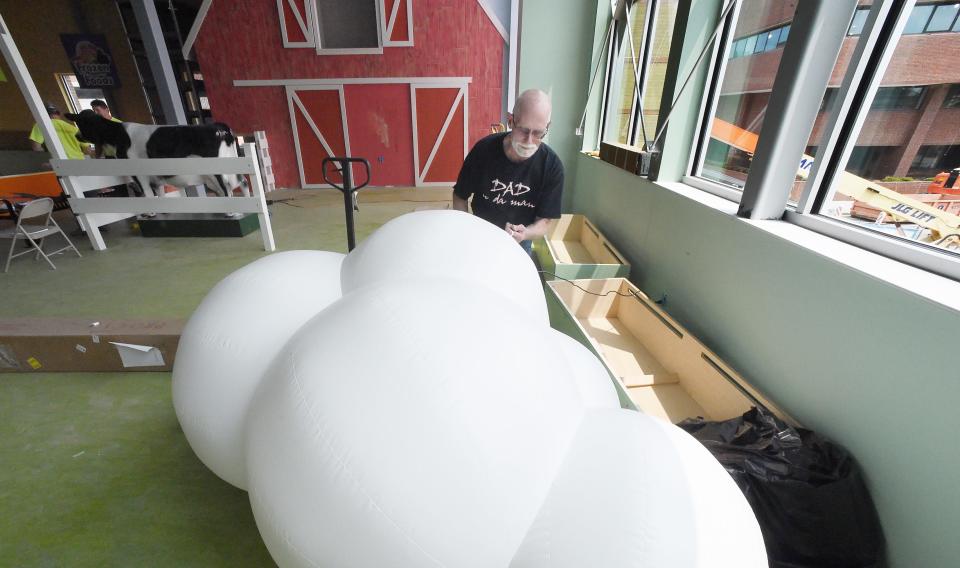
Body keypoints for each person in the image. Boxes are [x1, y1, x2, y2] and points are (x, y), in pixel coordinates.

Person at [452, 89, 563, 252]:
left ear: (548, 126)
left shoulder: (552, 166)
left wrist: (526, 233)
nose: (529, 141)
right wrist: (469, 230)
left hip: (520, 242)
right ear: (511, 121)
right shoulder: (483, 151)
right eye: (524, 131)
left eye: (538, 133)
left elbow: (545, 221)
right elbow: (460, 196)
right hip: (481, 235)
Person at [28, 103, 94, 160]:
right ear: (59, 114)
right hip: (80, 162)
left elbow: (36, 147)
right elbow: (88, 150)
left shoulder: (41, 125)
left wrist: (47, 160)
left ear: (44, 114)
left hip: (60, 164)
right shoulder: (73, 128)